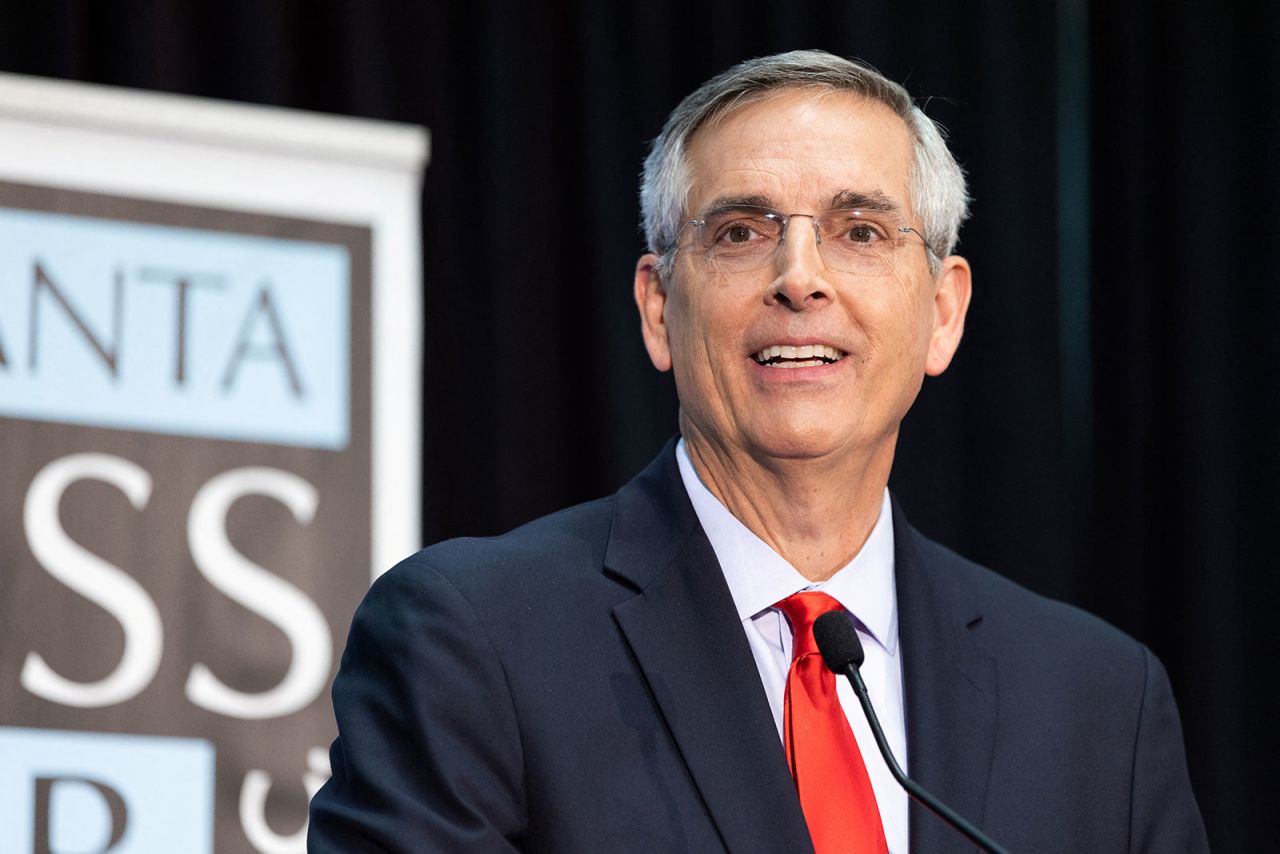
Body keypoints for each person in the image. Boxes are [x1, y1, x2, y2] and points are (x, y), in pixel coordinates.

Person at [308, 50, 1208, 853]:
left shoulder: (1098, 702)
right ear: (660, 308)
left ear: (944, 313)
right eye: (742, 232)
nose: (800, 278)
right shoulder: (472, 641)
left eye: (861, 231)